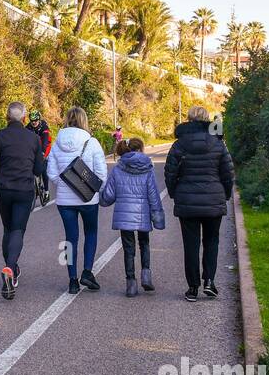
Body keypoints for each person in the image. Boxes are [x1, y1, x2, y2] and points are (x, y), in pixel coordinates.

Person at [165, 104, 235, 302]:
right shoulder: (218, 143)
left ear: (188, 119)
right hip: (214, 199)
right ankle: (210, 282)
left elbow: (170, 173)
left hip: (187, 201)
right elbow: (228, 173)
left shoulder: (179, 145)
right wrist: (226, 194)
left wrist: (174, 193)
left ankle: (193, 288)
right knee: (212, 242)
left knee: (191, 245)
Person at [0, 102, 46, 300]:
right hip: (24, 189)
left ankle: (12, 268)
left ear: (6, 117)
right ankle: (10, 268)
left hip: (4, 188)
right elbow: (38, 169)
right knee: (18, 230)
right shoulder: (34, 139)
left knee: (8, 229)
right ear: (25, 118)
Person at [46, 106, 108, 294]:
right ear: (84, 120)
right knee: (91, 233)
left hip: (65, 202)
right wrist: (93, 190)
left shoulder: (57, 143)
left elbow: (51, 173)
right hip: (88, 199)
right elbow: (101, 174)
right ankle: (87, 272)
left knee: (69, 239)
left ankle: (72, 280)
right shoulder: (92, 142)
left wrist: (66, 185)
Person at [99, 138, 165, 297]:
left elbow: (108, 196)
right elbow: (153, 195)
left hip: (124, 215)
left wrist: (100, 194)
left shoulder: (117, 169)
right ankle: (146, 276)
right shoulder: (148, 168)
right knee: (144, 243)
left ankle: (131, 285)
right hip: (143, 213)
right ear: (141, 149)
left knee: (128, 249)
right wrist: (158, 217)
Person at [26, 109, 53, 199]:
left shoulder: (44, 127)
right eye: (32, 121)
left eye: (35, 121)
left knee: (43, 169)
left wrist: (42, 154)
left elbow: (45, 142)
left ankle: (46, 191)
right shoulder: (28, 127)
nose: (34, 123)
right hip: (34, 147)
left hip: (45, 147)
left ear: (39, 120)